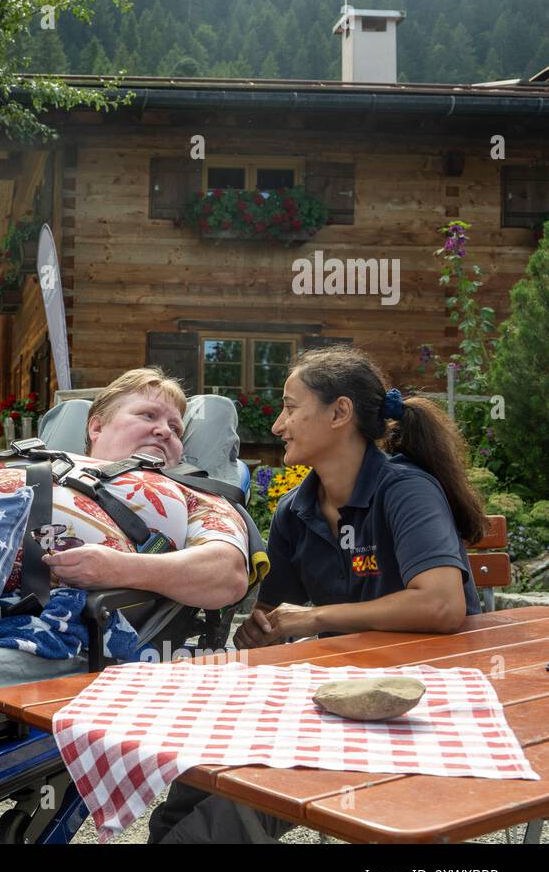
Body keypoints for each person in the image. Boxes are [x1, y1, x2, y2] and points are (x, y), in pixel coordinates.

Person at [150, 345, 484, 843]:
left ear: (339, 413)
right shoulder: (296, 508)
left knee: (250, 797)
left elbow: (442, 605)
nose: (278, 425)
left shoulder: (403, 489)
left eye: (289, 406)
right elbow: (268, 618)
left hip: (422, 701)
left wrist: (310, 619)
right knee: (196, 778)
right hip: (342, 692)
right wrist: (258, 633)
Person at [0, 367, 251, 613]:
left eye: (176, 429)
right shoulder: (31, 458)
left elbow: (227, 575)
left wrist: (119, 569)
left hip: (41, 620)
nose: (165, 431)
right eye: (148, 415)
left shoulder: (194, 492)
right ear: (96, 427)